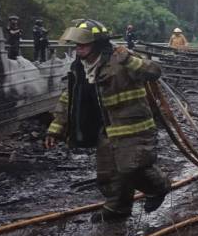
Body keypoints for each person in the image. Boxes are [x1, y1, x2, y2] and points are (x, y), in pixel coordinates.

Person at [44, 19, 170, 223]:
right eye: (76, 45)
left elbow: (154, 71)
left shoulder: (120, 59)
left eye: (83, 45)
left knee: (131, 167)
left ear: (97, 44)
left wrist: (129, 59)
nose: (78, 49)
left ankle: (159, 187)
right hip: (106, 128)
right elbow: (68, 98)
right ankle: (117, 208)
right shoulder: (80, 67)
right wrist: (55, 129)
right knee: (108, 173)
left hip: (133, 127)